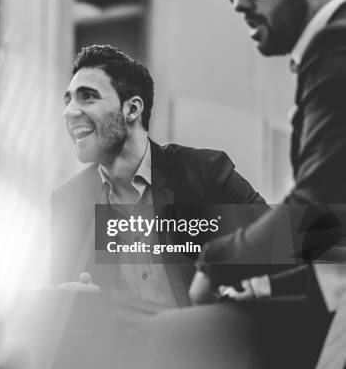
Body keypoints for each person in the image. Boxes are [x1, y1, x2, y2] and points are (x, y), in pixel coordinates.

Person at [186, 0, 346, 367]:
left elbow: (318, 215)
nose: (239, 2)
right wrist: (264, 285)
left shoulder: (337, 45)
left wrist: (217, 265)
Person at [51, 44, 268, 307]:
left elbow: (288, 240)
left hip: (207, 340)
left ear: (131, 109)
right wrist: (71, 303)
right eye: (68, 100)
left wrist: (248, 277)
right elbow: (61, 299)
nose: (70, 112)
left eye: (88, 97)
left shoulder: (205, 173)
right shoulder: (69, 202)